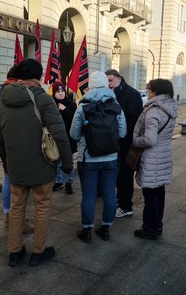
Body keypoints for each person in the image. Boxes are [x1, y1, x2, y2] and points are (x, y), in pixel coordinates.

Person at [0, 58, 73, 267]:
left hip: (16, 166)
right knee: (42, 206)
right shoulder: (44, 100)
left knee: (16, 206)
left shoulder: (1, 101)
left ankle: (14, 252)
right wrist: (67, 163)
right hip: (42, 166)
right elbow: (59, 134)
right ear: (39, 77)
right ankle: (38, 252)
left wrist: (6, 163)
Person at [70, 71, 127, 243]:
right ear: (106, 85)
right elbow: (123, 133)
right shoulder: (116, 106)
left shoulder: (83, 106)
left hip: (88, 159)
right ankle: (105, 228)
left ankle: (86, 230)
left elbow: (73, 134)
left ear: (91, 86)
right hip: (110, 159)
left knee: (88, 195)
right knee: (110, 193)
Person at [132, 79, 177, 239]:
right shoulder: (170, 107)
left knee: (150, 196)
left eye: (149, 89)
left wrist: (135, 141)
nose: (148, 92)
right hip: (164, 154)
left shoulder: (153, 111)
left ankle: (150, 229)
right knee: (159, 193)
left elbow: (149, 140)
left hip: (152, 158)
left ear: (155, 91)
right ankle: (158, 225)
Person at [0, 65, 34, 234]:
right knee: (20, 187)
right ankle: (19, 219)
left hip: (6, 142)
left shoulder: (3, 91)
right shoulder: (22, 91)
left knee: (7, 179)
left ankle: (8, 215)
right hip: (21, 143)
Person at [105, 69, 143, 218]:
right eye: (106, 80)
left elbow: (135, 120)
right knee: (115, 173)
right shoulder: (110, 92)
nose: (108, 84)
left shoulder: (132, 94)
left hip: (126, 142)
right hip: (113, 142)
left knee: (125, 175)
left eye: (111, 80)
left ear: (119, 78)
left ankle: (126, 205)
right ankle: (115, 199)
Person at [52, 81, 77, 194]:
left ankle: (69, 182)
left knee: (69, 160)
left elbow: (74, 118)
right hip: (56, 137)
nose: (61, 93)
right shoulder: (51, 104)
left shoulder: (71, 104)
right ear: (54, 93)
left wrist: (65, 109)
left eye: (62, 91)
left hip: (68, 138)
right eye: (58, 91)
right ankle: (58, 181)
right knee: (57, 161)